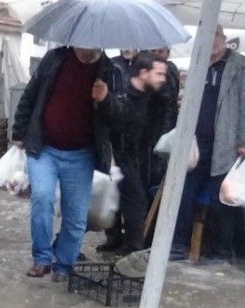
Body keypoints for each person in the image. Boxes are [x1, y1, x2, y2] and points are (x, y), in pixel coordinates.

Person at [12, 47, 123, 282]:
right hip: (44, 148)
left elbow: (120, 118)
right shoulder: (55, 59)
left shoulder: (110, 71)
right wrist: (19, 131)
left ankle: (64, 265)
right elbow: (31, 95)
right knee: (42, 198)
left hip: (82, 155)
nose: (87, 49)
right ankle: (42, 258)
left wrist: (106, 100)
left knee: (76, 216)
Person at [171, 25, 245, 265]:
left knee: (221, 199)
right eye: (206, 38)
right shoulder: (198, 64)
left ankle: (220, 253)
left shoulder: (238, 66)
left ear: (224, 39)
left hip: (227, 142)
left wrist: (243, 139)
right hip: (195, 143)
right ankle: (177, 246)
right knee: (183, 192)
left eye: (216, 37)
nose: (212, 43)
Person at [99, 53, 168, 255]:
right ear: (143, 73)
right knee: (131, 200)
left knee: (125, 199)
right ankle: (128, 246)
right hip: (117, 154)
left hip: (136, 154)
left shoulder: (148, 94)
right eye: (159, 74)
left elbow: (166, 104)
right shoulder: (123, 95)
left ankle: (121, 243)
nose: (163, 79)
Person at [145, 46, 181, 188]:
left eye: (160, 52)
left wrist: (163, 135)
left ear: (167, 53)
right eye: (153, 51)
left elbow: (168, 107)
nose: (156, 55)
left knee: (155, 173)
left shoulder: (167, 72)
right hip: (151, 130)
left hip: (158, 131)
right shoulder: (152, 70)